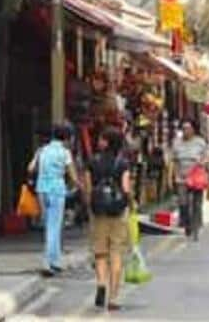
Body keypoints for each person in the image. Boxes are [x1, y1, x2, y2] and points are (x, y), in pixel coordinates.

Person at [86, 128, 135, 310]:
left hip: (98, 212)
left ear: (106, 142)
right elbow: (126, 188)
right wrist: (130, 205)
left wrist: (90, 208)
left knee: (100, 252)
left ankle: (101, 283)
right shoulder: (122, 163)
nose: (98, 141)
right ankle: (113, 298)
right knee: (116, 253)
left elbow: (88, 189)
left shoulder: (92, 162)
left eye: (101, 138)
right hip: (117, 212)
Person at [30, 125, 82, 275]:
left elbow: (31, 168)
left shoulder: (42, 150)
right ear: (67, 138)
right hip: (57, 190)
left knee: (48, 224)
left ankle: (56, 260)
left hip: (42, 190)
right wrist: (79, 186)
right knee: (55, 226)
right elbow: (72, 175)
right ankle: (49, 262)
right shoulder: (65, 153)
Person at [169, 120, 209, 240]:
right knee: (183, 203)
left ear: (193, 130)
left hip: (197, 176)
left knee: (197, 203)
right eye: (183, 128)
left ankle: (196, 226)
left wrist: (203, 163)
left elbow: (207, 156)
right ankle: (187, 224)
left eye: (188, 128)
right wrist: (170, 176)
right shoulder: (176, 143)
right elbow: (173, 160)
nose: (185, 131)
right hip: (181, 177)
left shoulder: (200, 142)